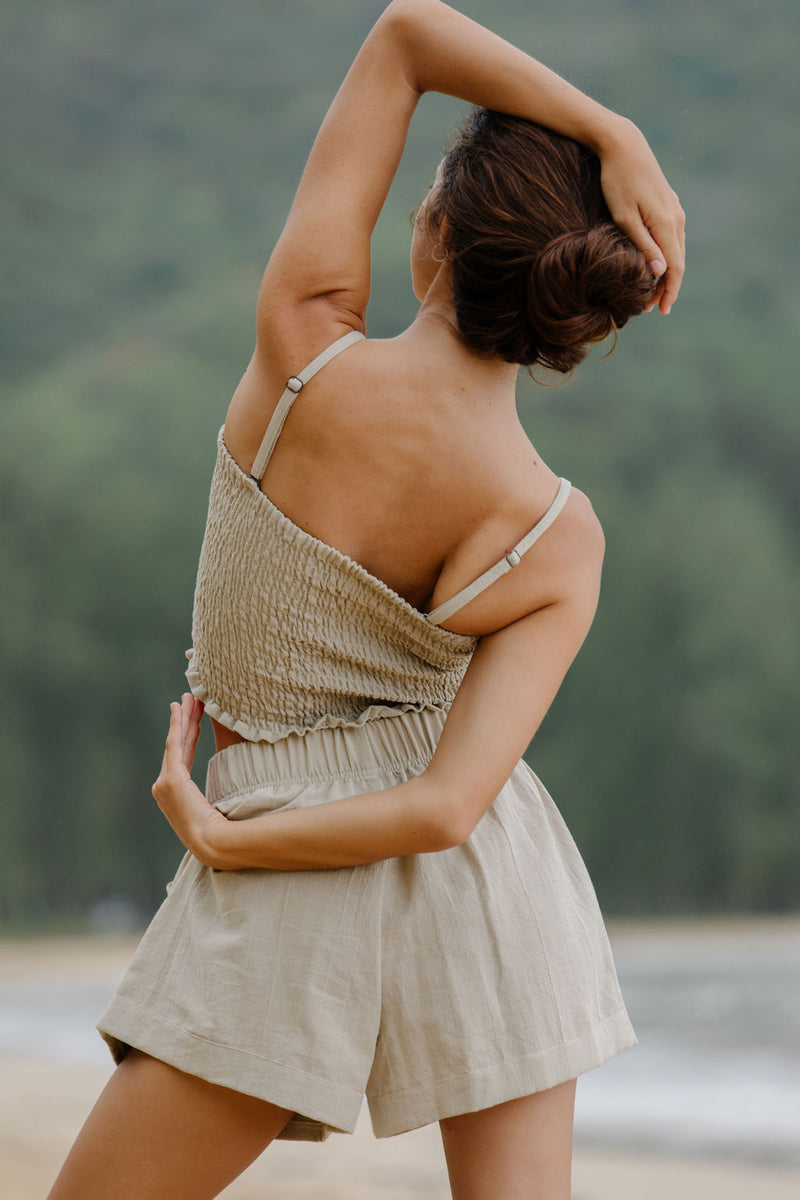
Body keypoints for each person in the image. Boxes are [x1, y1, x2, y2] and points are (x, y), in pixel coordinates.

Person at [47, 2, 684, 1197]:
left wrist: (611, 131)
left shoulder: (303, 352)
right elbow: (448, 807)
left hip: (283, 855)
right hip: (493, 886)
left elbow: (404, 34)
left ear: (431, 233)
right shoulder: (556, 534)